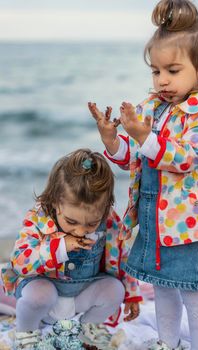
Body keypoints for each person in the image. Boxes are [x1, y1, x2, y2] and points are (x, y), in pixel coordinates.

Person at [88, 1, 198, 349]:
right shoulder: (155, 107)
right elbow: (136, 159)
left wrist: (144, 137)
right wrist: (113, 140)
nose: (162, 80)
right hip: (156, 219)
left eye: (172, 70)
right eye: (156, 71)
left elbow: (184, 157)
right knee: (162, 289)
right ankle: (166, 342)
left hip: (194, 224)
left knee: (195, 296)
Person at [1, 148, 142, 349]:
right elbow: (20, 262)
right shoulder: (39, 219)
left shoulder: (109, 223)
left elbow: (123, 258)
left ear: (105, 208)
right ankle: (27, 332)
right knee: (41, 294)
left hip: (81, 295)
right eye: (71, 221)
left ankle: (88, 330)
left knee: (114, 290)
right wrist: (60, 247)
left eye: (91, 223)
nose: (80, 230)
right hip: (44, 297)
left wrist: (132, 293)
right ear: (54, 201)